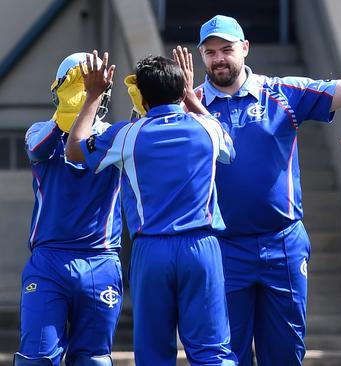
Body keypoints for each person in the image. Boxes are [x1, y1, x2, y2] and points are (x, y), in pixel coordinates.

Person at [193, 14, 341, 365]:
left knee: (285, 354)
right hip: (222, 247)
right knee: (224, 354)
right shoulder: (190, 104)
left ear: (245, 48)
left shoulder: (282, 92)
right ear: (201, 56)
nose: (219, 58)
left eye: (226, 49)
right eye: (210, 52)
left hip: (282, 244)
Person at [65, 51, 237, 366]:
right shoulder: (209, 129)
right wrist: (191, 96)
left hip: (152, 250)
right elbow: (229, 147)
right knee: (212, 351)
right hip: (202, 249)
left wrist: (93, 96)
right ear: (183, 88)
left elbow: (74, 149)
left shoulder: (127, 134)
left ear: (141, 98)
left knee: (153, 354)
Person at [16, 53, 121, 366]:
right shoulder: (39, 130)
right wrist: (72, 107)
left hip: (100, 260)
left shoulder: (113, 135)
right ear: (58, 91)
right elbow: (39, 150)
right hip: (49, 262)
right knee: (36, 360)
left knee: (93, 360)